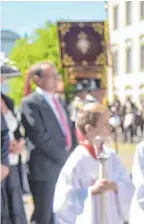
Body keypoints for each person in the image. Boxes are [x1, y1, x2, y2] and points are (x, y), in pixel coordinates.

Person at [53, 103, 134, 223]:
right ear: (89, 129)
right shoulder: (77, 160)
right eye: (105, 124)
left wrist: (115, 186)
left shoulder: (111, 156)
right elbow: (64, 201)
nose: (109, 127)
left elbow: (127, 183)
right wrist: (90, 191)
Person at [20, 61, 72, 224]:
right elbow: (39, 137)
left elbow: (69, 129)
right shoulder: (30, 103)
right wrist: (65, 158)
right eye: (52, 76)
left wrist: (74, 154)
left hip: (64, 165)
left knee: (61, 213)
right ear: (38, 79)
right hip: (45, 169)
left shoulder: (59, 101)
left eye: (57, 75)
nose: (56, 79)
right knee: (44, 216)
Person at [1, 94, 28, 224]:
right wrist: (6, 145)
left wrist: (20, 142)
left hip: (12, 164)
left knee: (15, 208)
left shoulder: (7, 100)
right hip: (1, 165)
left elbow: (15, 129)